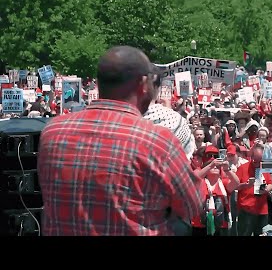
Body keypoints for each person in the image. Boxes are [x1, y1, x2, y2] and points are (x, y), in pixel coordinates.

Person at [38, 46, 202, 235]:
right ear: (143, 84)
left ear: (99, 83)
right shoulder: (157, 140)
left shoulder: (52, 131)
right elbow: (192, 205)